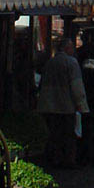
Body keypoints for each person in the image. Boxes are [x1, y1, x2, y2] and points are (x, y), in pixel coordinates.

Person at [38, 37, 89, 168]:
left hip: (48, 105)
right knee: (67, 135)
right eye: (72, 47)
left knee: (53, 134)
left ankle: (54, 158)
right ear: (67, 48)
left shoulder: (50, 62)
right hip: (66, 105)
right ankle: (67, 160)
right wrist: (82, 106)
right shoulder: (71, 63)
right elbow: (77, 85)